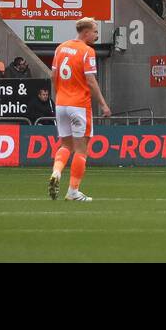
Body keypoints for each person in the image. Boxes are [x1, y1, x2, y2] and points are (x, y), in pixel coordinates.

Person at [48, 17, 111, 203]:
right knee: (81, 149)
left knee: (65, 145)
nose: (97, 35)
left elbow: (53, 75)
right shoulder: (87, 51)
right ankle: (73, 191)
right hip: (79, 105)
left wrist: (60, 95)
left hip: (61, 103)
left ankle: (56, 172)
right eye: (95, 32)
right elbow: (91, 80)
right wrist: (103, 104)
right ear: (86, 33)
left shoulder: (61, 48)